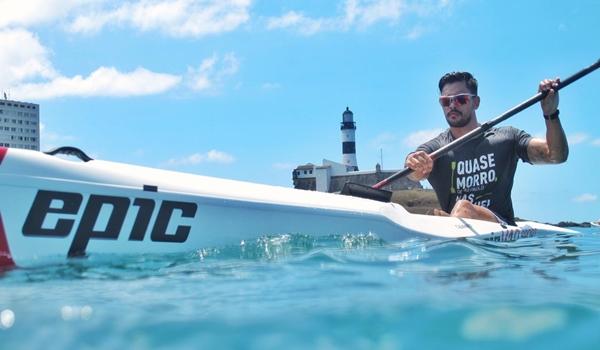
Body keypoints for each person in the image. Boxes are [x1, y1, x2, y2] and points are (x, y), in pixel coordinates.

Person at [404, 72, 568, 226]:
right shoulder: (435, 148)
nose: (452, 105)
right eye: (446, 101)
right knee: (433, 216)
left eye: (460, 99)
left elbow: (556, 155)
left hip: (501, 230)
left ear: (476, 102)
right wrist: (415, 165)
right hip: (455, 229)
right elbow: (413, 172)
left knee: (464, 208)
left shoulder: (507, 137)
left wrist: (551, 113)